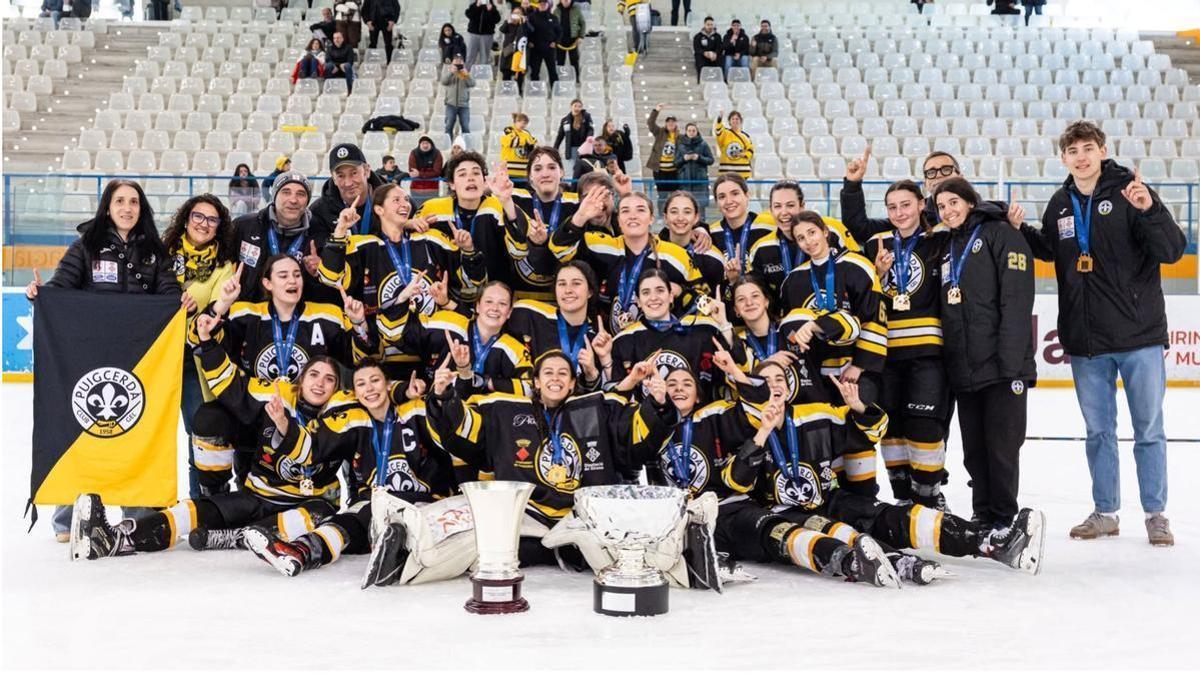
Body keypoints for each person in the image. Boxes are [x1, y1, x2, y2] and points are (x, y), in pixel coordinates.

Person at [716, 357, 1046, 578]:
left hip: (830, 499)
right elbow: (736, 483)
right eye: (765, 379)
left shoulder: (816, 412)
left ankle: (991, 542)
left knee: (894, 516)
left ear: (789, 385)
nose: (774, 384)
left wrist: (858, 406)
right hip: (784, 512)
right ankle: (893, 565)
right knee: (837, 538)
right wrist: (762, 434)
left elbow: (875, 431)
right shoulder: (741, 423)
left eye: (780, 378)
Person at [1013, 120, 1184, 546]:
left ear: (1103, 151)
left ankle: (1156, 514)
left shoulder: (1130, 191)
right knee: (1099, 433)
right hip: (1087, 341)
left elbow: (1172, 250)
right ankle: (1105, 512)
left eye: (1089, 148)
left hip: (1138, 335)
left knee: (1148, 430)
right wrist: (1020, 232)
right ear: (1063, 158)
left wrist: (1150, 210)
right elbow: (1053, 252)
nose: (1082, 157)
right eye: (1073, 152)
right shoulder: (1060, 204)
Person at [25, 179, 183, 542]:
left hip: (140, 357)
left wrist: (181, 302)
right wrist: (41, 295)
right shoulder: (85, 247)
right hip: (90, 355)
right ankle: (69, 513)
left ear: (141, 209)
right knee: (82, 427)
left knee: (137, 426)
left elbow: (170, 295)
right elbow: (61, 289)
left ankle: (139, 508)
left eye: (134, 202)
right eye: (119, 201)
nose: (127, 208)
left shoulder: (155, 253)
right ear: (107, 207)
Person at [71, 354, 351, 558]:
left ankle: (232, 537)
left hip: (306, 503)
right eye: (314, 375)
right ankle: (116, 538)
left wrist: (284, 426)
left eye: (329, 379)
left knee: (317, 514)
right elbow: (231, 387)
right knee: (192, 510)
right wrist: (206, 341)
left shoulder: (344, 417)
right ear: (300, 380)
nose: (320, 384)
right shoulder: (275, 399)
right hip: (257, 496)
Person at [427, 350, 675, 547]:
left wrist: (658, 402)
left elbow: (633, 433)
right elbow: (464, 429)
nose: (555, 378)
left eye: (562, 373)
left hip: (581, 518)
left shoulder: (593, 409)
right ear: (536, 381)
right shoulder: (505, 410)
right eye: (548, 373)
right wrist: (442, 395)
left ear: (571, 383)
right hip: (526, 516)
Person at [242, 359, 454, 577]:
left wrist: (439, 394)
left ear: (389, 385)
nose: (369, 388)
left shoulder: (416, 410)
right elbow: (313, 449)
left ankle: (398, 551)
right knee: (346, 521)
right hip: (375, 509)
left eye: (375, 381)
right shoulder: (354, 419)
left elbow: (449, 436)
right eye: (361, 384)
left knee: (368, 515)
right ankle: (299, 552)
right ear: (355, 393)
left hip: (423, 505)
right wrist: (283, 424)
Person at [842, 177, 953, 509]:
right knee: (892, 427)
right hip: (886, 354)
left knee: (924, 425)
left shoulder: (940, 239)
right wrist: (875, 275)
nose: (900, 212)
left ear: (922, 204)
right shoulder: (877, 243)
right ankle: (904, 500)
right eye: (892, 207)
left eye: (906, 204)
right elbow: (862, 296)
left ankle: (929, 497)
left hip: (928, 352)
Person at [933, 177, 1035, 533]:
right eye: (941, 206)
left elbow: (1017, 300)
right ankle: (983, 514)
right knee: (975, 450)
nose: (947, 211)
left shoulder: (1000, 233)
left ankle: (1004, 518)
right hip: (966, 368)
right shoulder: (948, 247)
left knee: (1002, 448)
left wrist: (1010, 364)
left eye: (953, 202)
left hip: (1003, 367)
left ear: (970, 202)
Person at [320, 182, 486, 379]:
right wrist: (340, 230)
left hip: (431, 348)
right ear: (379, 209)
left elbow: (472, 282)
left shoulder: (431, 239)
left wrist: (468, 250)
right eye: (396, 200)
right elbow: (330, 277)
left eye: (407, 199)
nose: (405, 204)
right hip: (382, 353)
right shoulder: (363, 245)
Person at [777, 211, 887, 495]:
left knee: (859, 432)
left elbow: (875, 318)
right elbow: (792, 330)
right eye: (800, 238)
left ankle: (865, 497)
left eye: (812, 233)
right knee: (828, 435)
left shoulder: (857, 265)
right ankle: (838, 500)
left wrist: (861, 365)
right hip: (819, 374)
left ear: (825, 232)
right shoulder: (793, 280)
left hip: (855, 367)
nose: (808, 241)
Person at [161, 195, 239, 499]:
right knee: (152, 434)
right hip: (158, 359)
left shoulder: (224, 266)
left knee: (201, 435)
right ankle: (150, 506)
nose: (204, 224)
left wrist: (196, 313)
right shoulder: (162, 255)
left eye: (212, 219)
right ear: (186, 218)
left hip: (194, 360)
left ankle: (204, 507)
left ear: (220, 226)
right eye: (198, 216)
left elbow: (219, 311)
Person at [550, 191, 702, 333]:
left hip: (656, 343)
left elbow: (703, 301)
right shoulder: (600, 244)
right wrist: (580, 216)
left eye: (640, 210)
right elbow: (558, 249)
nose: (633, 216)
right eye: (625, 210)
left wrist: (681, 291)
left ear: (651, 218)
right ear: (619, 220)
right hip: (604, 340)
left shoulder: (677, 255)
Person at [608, 267, 733, 404]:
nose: (653, 297)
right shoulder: (624, 340)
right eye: (646, 292)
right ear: (638, 301)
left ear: (671, 296)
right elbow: (617, 397)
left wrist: (724, 325)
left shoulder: (701, 329)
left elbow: (729, 371)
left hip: (698, 421)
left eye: (660, 290)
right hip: (647, 422)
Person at [412, 151, 506, 300]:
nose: (470, 178)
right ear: (451, 184)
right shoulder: (432, 208)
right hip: (447, 296)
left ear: (484, 180)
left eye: (476, 173)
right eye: (462, 174)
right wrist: (408, 224)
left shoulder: (500, 205)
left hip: (493, 296)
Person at [507, 262, 608, 387]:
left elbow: (599, 395)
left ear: (590, 292)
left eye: (576, 283)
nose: (568, 290)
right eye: (562, 284)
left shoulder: (599, 338)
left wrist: (591, 373)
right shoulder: (529, 315)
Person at [498, 146, 577, 299]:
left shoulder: (576, 204)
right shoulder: (514, 199)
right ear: (530, 176)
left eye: (552, 167)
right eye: (538, 168)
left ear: (561, 172)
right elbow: (514, 252)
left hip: (565, 298)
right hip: (522, 297)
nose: (545, 174)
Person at [659, 191, 724, 298]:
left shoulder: (713, 258)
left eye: (687, 212)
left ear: (696, 218)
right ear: (666, 218)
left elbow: (715, 302)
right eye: (674, 212)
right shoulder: (654, 253)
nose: (680, 218)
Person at [676, 122, 714, 212]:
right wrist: (684, 159)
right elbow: (675, 163)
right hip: (685, 182)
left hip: (700, 182)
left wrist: (699, 158)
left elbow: (711, 160)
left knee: (700, 209)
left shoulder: (703, 144)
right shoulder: (681, 145)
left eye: (693, 130)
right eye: (689, 130)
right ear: (686, 132)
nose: (691, 132)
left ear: (697, 132)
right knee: (686, 208)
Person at [499, 4, 533, 94]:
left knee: (519, 73)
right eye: (514, 13)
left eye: (518, 13)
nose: (516, 15)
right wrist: (507, 22)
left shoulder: (525, 23)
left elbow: (531, 31)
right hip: (508, 51)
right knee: (506, 72)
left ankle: (518, 91)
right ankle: (505, 91)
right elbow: (502, 30)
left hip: (520, 52)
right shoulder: (509, 23)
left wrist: (525, 22)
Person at [440, 53, 475, 138]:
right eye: (456, 61)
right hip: (450, 105)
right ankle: (449, 145)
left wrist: (466, 75)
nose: (458, 64)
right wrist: (451, 73)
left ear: (463, 63)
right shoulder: (449, 72)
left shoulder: (466, 73)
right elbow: (444, 82)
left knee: (465, 127)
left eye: (460, 62)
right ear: (452, 62)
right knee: (448, 126)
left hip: (464, 105)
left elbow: (472, 84)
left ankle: (465, 147)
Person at [526, 0, 560, 85]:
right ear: (537, 5)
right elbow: (527, 31)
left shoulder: (554, 17)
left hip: (549, 49)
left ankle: (554, 91)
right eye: (540, 4)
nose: (542, 5)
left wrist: (556, 42)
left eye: (544, 4)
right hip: (535, 49)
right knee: (535, 72)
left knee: (552, 71)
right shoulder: (531, 17)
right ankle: (535, 92)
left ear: (548, 5)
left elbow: (559, 32)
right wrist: (529, 41)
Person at [500, 112, 539, 187]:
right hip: (509, 170)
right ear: (515, 121)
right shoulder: (508, 131)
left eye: (525, 123)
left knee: (523, 195)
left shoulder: (526, 134)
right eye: (521, 122)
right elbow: (513, 142)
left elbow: (533, 145)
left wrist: (532, 145)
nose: (523, 125)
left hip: (523, 171)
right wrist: (525, 142)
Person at [712, 110, 754, 179]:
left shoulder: (746, 136)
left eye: (737, 119)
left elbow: (751, 151)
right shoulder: (725, 133)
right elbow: (718, 131)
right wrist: (720, 118)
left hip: (743, 172)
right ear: (729, 121)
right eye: (733, 119)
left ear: (741, 121)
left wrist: (744, 154)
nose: (735, 121)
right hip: (727, 171)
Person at [407, 136, 444, 208]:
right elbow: (413, 172)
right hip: (416, 190)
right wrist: (427, 174)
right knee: (417, 212)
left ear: (431, 144)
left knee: (432, 211)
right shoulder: (414, 153)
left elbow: (437, 172)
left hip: (432, 190)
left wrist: (419, 174)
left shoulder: (437, 153)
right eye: (423, 143)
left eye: (427, 143)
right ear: (419, 144)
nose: (425, 145)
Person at [464, 0, 502, 69]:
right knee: (470, 56)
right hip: (473, 34)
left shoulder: (492, 7)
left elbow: (497, 20)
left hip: (487, 35)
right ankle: (466, 73)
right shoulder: (473, 5)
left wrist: (491, 10)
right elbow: (469, 15)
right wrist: (477, 6)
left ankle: (483, 74)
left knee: (484, 57)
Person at [554, 0, 585, 82]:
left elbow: (583, 23)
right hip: (560, 40)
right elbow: (553, 26)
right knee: (560, 61)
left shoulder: (576, 10)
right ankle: (559, 79)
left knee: (574, 60)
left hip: (573, 39)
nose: (566, 1)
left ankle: (576, 78)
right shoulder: (556, 11)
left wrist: (581, 36)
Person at [692, 16, 722, 83]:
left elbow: (719, 47)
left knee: (720, 57)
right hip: (703, 56)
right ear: (704, 25)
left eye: (711, 25)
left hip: (713, 56)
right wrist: (704, 53)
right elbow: (697, 48)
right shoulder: (698, 36)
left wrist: (715, 54)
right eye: (708, 25)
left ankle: (719, 80)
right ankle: (701, 80)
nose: (710, 26)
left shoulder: (717, 36)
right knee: (698, 56)